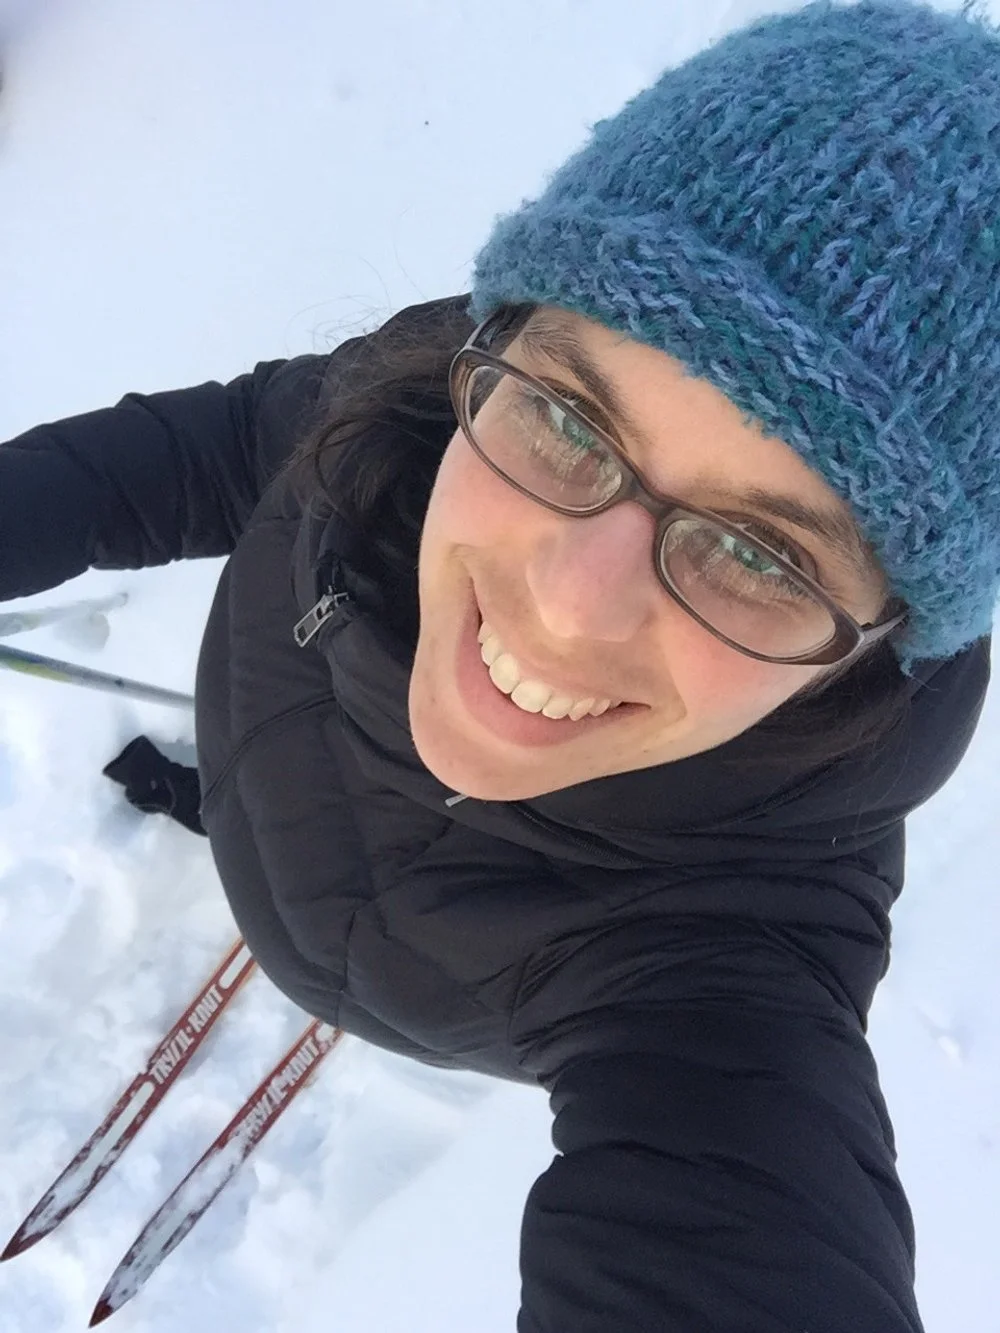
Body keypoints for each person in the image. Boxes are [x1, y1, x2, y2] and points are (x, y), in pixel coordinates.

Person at [2, 0, 998, 1327]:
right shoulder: (411, 415)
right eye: (571, 419)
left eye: (761, 556)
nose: (568, 612)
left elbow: (742, 1209)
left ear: (882, 643)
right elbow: (210, 450)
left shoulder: (743, 952)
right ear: (500, 345)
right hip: (265, 813)